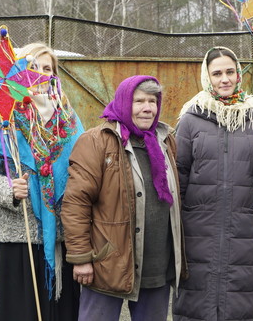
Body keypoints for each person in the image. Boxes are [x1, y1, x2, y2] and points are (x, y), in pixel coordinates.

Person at [0, 43, 82, 321]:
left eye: (48, 69)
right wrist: (10, 189)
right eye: (33, 68)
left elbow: (83, 169)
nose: (41, 75)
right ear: (19, 72)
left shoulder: (68, 119)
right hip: (19, 235)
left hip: (62, 234)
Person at [61, 75, 184, 321]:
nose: (147, 108)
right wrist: (81, 258)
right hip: (108, 264)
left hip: (156, 264)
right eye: (139, 101)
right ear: (124, 102)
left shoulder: (165, 139)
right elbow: (76, 203)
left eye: (152, 101)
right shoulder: (97, 141)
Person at [172, 46, 253, 321]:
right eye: (217, 73)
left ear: (238, 75)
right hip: (198, 233)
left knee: (240, 307)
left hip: (242, 232)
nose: (224, 79)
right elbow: (179, 177)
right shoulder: (190, 119)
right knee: (196, 306)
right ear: (207, 76)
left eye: (230, 72)